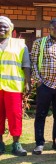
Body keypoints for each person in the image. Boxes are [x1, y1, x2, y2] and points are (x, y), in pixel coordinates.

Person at [30, 18, 56, 155]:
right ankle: (39, 143)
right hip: (45, 85)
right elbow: (33, 63)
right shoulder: (40, 43)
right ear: (50, 29)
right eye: (55, 28)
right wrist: (39, 81)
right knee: (41, 114)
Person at [0, 16, 31, 156]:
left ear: (11, 28)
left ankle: (16, 144)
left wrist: (28, 83)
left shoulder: (20, 45)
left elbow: (26, 65)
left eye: (5, 26)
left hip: (13, 87)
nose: (2, 28)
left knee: (15, 116)